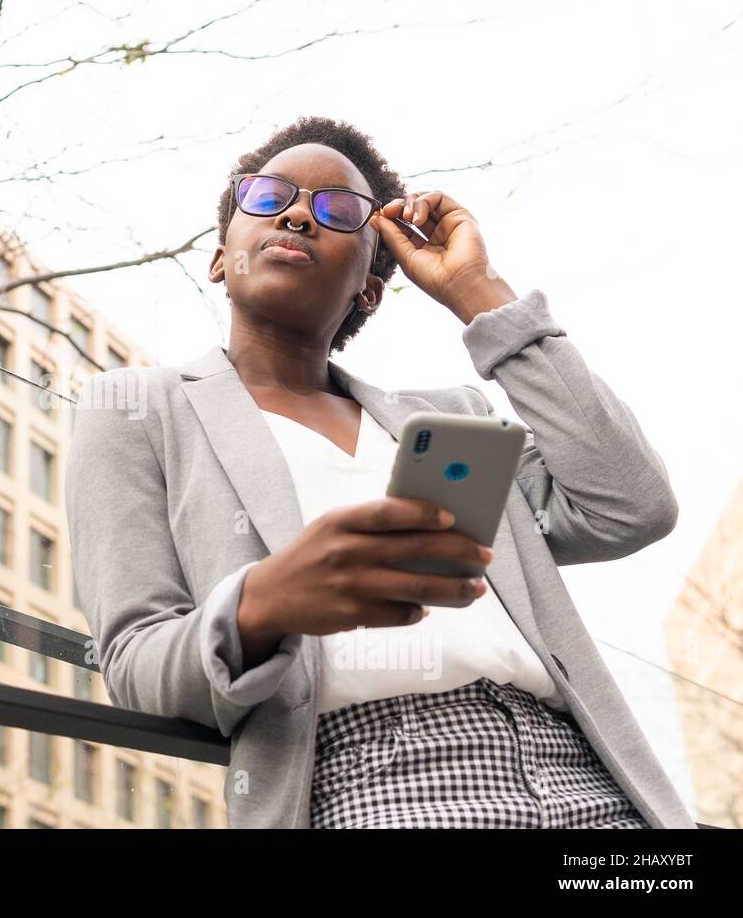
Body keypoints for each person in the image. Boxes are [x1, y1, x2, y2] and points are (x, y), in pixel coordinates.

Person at [64, 116, 698, 828]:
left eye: (339, 211)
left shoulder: (454, 419)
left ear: (369, 288)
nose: (299, 213)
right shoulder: (135, 410)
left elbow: (631, 504)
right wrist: (264, 603)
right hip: (379, 783)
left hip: (594, 785)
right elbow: (133, 662)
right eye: (269, 197)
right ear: (220, 259)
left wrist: (477, 291)